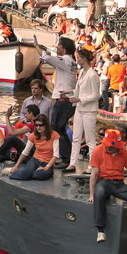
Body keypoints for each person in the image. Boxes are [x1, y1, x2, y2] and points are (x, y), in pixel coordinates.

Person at [40, 37, 78, 167]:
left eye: (59, 45)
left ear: (64, 47)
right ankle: (68, 157)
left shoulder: (66, 60)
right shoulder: (72, 61)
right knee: (60, 129)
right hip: (67, 102)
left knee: (56, 129)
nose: (57, 47)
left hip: (64, 101)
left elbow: (48, 58)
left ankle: (67, 158)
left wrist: (39, 49)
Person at [68, 48, 101, 172]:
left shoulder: (93, 75)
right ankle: (72, 163)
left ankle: (92, 165)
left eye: (79, 58)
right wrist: (70, 93)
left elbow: (95, 95)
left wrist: (79, 99)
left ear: (85, 58)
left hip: (89, 110)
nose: (77, 60)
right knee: (76, 137)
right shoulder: (81, 71)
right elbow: (79, 89)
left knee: (90, 139)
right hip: (79, 109)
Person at [8, 114, 59, 181]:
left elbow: (56, 155)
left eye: (41, 125)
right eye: (36, 125)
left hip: (47, 162)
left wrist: (46, 167)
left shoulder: (54, 135)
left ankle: (34, 173)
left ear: (46, 125)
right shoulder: (33, 135)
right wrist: (16, 165)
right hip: (35, 160)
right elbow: (25, 152)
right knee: (26, 175)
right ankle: (12, 172)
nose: (38, 127)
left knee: (38, 175)